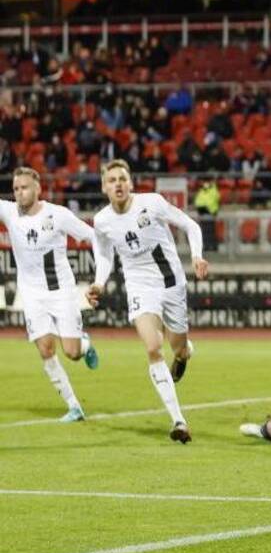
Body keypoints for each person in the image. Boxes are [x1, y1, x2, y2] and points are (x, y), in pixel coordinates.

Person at [86, 159, 209, 443]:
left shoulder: (152, 203)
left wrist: (197, 255)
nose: (118, 183)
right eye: (112, 180)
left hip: (171, 284)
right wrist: (99, 283)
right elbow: (104, 255)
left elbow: (191, 226)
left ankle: (183, 352)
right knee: (153, 347)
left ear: (130, 183)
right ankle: (178, 420)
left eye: (122, 179)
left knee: (178, 348)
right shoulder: (102, 221)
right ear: (104, 187)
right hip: (140, 287)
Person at [0, 167, 100, 422]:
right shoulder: (9, 212)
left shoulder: (58, 215)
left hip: (62, 293)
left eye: (24, 187)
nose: (19, 193)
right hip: (32, 295)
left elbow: (93, 237)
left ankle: (84, 344)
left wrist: (101, 276)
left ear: (37, 189)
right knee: (45, 349)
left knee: (72, 352)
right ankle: (74, 406)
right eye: (16, 189)